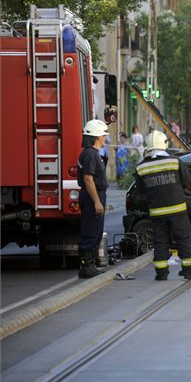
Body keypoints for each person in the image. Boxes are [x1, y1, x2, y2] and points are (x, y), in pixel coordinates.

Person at [134, 130, 191, 281]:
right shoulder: (174, 161)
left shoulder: (141, 167)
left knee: (160, 241)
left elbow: (140, 190)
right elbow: (186, 181)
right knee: (184, 239)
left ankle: (161, 273)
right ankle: (190, 271)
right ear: (164, 144)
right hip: (177, 209)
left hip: (157, 212)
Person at [77, 119, 110, 278]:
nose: (105, 138)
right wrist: (97, 201)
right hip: (92, 195)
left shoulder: (92, 153)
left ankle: (90, 265)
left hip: (95, 194)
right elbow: (88, 179)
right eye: (103, 135)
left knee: (95, 230)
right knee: (90, 230)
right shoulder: (90, 154)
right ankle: (86, 267)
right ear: (97, 137)